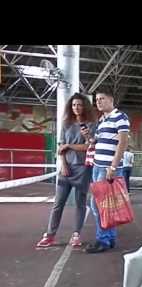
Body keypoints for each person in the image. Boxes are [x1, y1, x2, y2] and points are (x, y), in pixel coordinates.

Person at [36, 93, 97, 249]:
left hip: (83, 169)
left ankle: (76, 235)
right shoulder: (66, 124)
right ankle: (50, 235)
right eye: (74, 105)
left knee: (80, 203)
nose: (76, 107)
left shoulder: (91, 125)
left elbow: (88, 147)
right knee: (58, 203)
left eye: (80, 105)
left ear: (85, 106)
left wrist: (70, 146)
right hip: (66, 168)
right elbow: (60, 147)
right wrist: (63, 164)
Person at [82, 89, 130, 253]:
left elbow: (123, 143)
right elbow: (95, 143)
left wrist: (113, 167)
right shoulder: (102, 120)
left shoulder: (120, 117)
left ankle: (103, 239)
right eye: (96, 100)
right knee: (104, 206)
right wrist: (88, 137)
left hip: (107, 168)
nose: (98, 102)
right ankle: (108, 238)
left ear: (111, 100)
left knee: (98, 205)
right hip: (97, 166)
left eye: (102, 99)